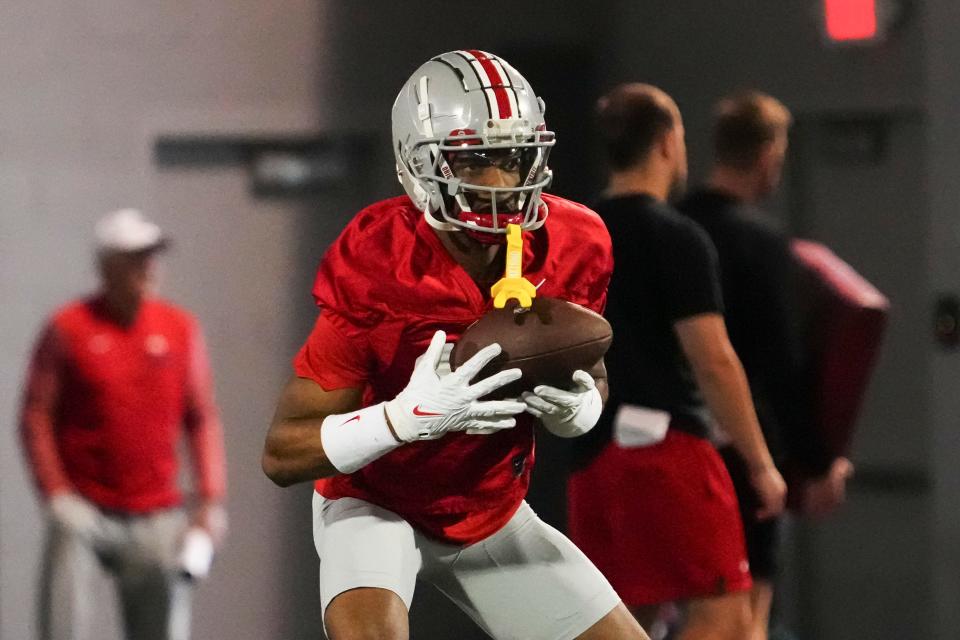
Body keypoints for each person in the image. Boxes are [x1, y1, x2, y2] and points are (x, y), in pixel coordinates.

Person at [261, 50, 648, 640]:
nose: (502, 183)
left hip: (490, 506)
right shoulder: (377, 258)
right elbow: (283, 453)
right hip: (375, 501)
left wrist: (583, 408)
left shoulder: (575, 239)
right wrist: (402, 419)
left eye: (514, 158)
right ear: (418, 164)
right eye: (473, 160)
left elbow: (589, 369)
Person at [566, 83, 786, 640]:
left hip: (594, 459)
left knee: (621, 622)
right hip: (668, 453)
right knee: (728, 616)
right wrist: (760, 463)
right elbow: (712, 359)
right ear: (668, 143)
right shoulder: (676, 236)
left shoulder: (573, 237)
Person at [677, 91, 854, 640]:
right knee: (744, 617)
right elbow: (779, 362)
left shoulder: (674, 228)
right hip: (743, 450)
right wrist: (817, 459)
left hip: (673, 446)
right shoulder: (758, 241)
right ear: (769, 154)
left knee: (687, 609)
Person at [19, 208, 228, 640]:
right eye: (135, 258)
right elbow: (36, 412)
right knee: (64, 609)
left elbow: (201, 417)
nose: (148, 268)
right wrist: (55, 491)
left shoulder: (179, 330)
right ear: (106, 267)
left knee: (163, 622)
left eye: (152, 257)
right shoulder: (69, 328)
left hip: (155, 508)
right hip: (84, 504)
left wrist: (209, 499)